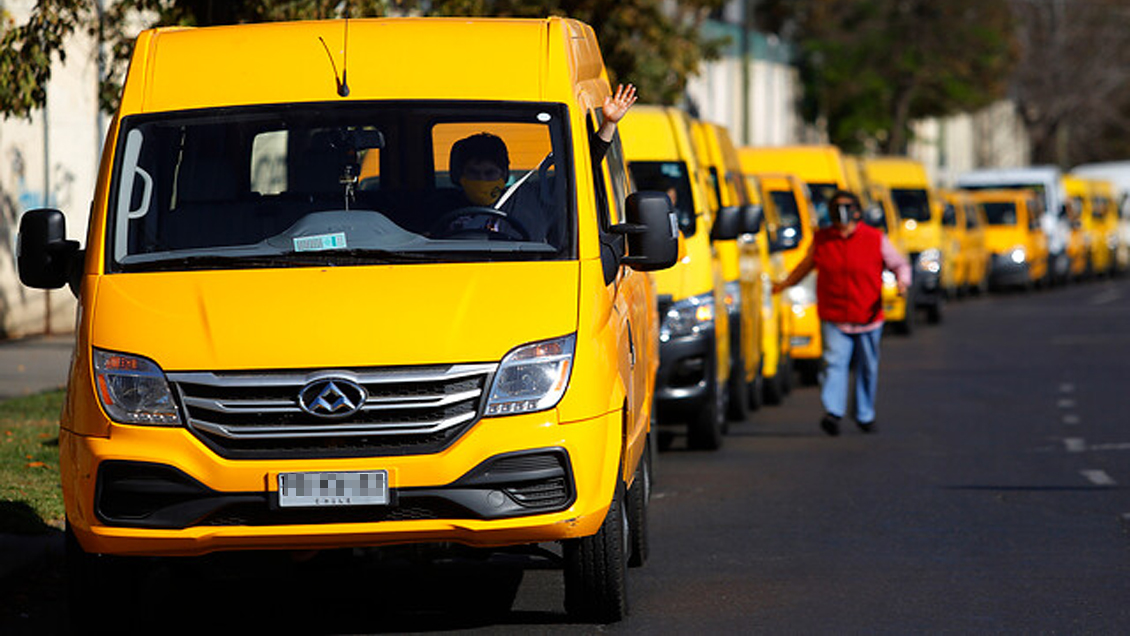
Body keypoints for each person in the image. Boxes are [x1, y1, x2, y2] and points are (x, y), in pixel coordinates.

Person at [771, 189, 912, 436]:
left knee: (867, 367)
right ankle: (833, 412)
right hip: (834, 314)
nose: (843, 214)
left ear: (857, 211)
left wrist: (902, 282)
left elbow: (898, 264)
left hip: (867, 314)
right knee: (834, 364)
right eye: (837, 208)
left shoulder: (875, 238)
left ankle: (864, 414)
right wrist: (783, 285)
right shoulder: (823, 239)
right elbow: (804, 267)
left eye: (847, 207)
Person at [433, 84, 638, 236]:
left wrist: (609, 124)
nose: (481, 180)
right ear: (459, 175)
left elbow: (581, 170)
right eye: (474, 173)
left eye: (489, 173)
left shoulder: (531, 200)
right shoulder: (439, 206)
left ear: (505, 174)